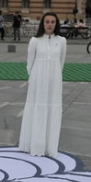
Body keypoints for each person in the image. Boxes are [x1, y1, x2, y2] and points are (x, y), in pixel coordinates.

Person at [19, 12, 67, 157]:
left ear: (56, 24)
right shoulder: (35, 41)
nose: (50, 24)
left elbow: (61, 62)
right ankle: (35, 144)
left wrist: (53, 76)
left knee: (51, 109)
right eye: (47, 22)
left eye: (53, 22)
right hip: (38, 80)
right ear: (43, 24)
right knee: (37, 108)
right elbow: (29, 64)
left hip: (54, 81)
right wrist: (35, 78)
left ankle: (49, 146)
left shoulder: (62, 41)